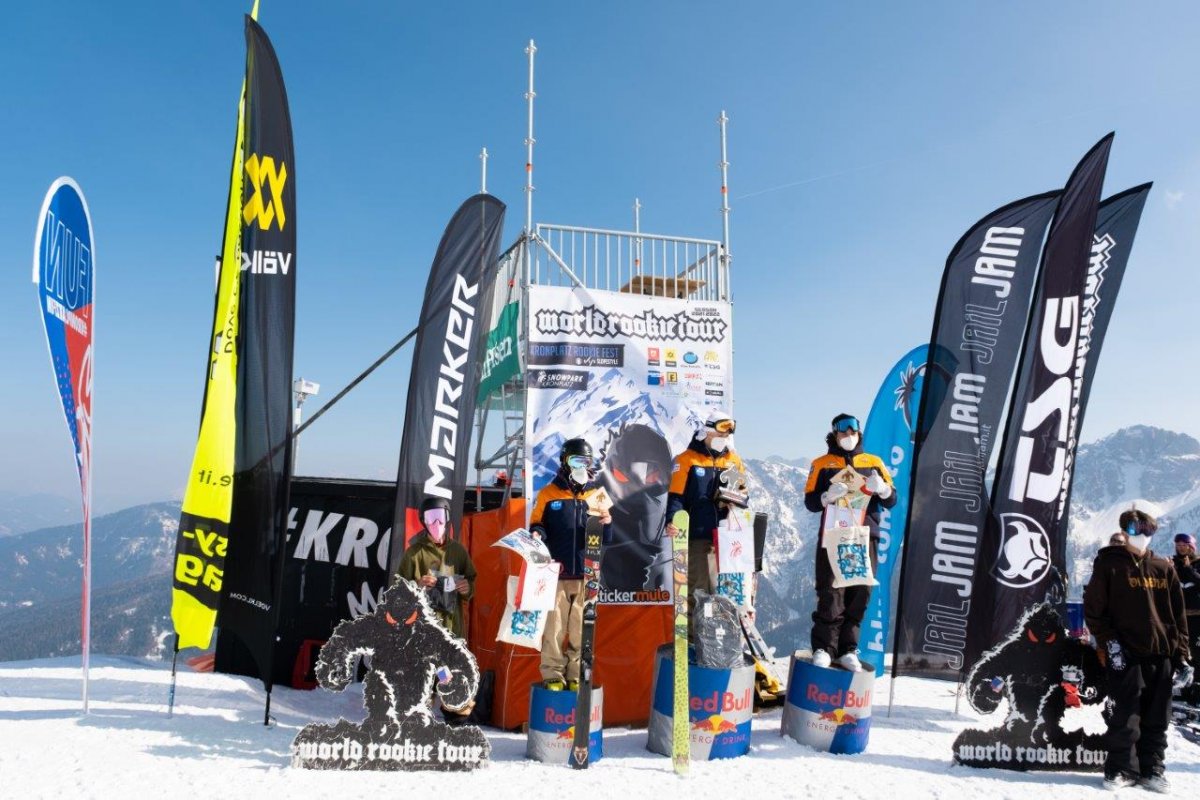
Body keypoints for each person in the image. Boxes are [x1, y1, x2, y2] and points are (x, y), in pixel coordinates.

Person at [1083, 508, 1193, 791]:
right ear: (1125, 531)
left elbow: (1178, 616)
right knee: (1125, 714)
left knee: (1158, 717)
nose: (1142, 536)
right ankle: (1121, 769)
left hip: (1161, 653)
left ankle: (1152, 769)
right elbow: (1094, 610)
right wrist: (1110, 643)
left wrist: (1182, 655)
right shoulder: (1110, 565)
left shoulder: (1163, 568)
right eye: (1135, 530)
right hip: (1125, 652)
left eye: (1148, 531)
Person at [803, 413, 896, 672]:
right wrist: (826, 496)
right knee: (831, 592)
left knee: (860, 591)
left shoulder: (873, 462)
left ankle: (848, 649)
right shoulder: (821, 464)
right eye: (843, 431)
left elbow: (892, 500)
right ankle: (824, 647)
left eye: (852, 431)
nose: (848, 435)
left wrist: (883, 489)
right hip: (834, 534)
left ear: (859, 432)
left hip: (865, 535)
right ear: (834, 434)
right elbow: (810, 502)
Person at [530, 438, 612, 691]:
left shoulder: (597, 494)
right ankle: (552, 673)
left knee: (581, 629)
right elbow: (537, 523)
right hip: (557, 573)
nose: (581, 466)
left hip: (587, 574)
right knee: (554, 627)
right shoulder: (548, 493)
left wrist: (608, 522)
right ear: (564, 462)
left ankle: (577, 674)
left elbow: (607, 537)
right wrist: (537, 533)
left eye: (585, 461)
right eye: (575, 460)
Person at [665, 409, 747, 620]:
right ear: (707, 430)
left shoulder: (733, 461)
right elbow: (676, 496)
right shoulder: (686, 459)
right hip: (698, 535)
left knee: (725, 590)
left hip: (727, 537)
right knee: (698, 589)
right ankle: (695, 636)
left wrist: (733, 499)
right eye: (721, 430)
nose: (724, 435)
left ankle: (721, 634)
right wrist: (672, 519)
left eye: (728, 432)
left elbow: (743, 495)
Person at [395, 496, 476, 639]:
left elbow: (471, 579)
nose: (436, 523)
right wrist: (417, 585)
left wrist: (467, 588)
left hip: (452, 627)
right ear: (423, 521)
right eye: (431, 518)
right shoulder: (414, 553)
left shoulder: (458, 551)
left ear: (447, 518)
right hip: (423, 628)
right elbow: (398, 589)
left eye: (440, 517)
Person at [1173, 532, 1200, 703]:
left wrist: (1189, 569)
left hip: (1197, 616)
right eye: (1178, 545)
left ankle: (1196, 690)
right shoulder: (1173, 564)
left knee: (1197, 653)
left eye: (1184, 545)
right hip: (1178, 617)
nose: (1181, 548)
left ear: (1191, 547)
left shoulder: (1198, 563)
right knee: (1180, 653)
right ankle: (1184, 688)